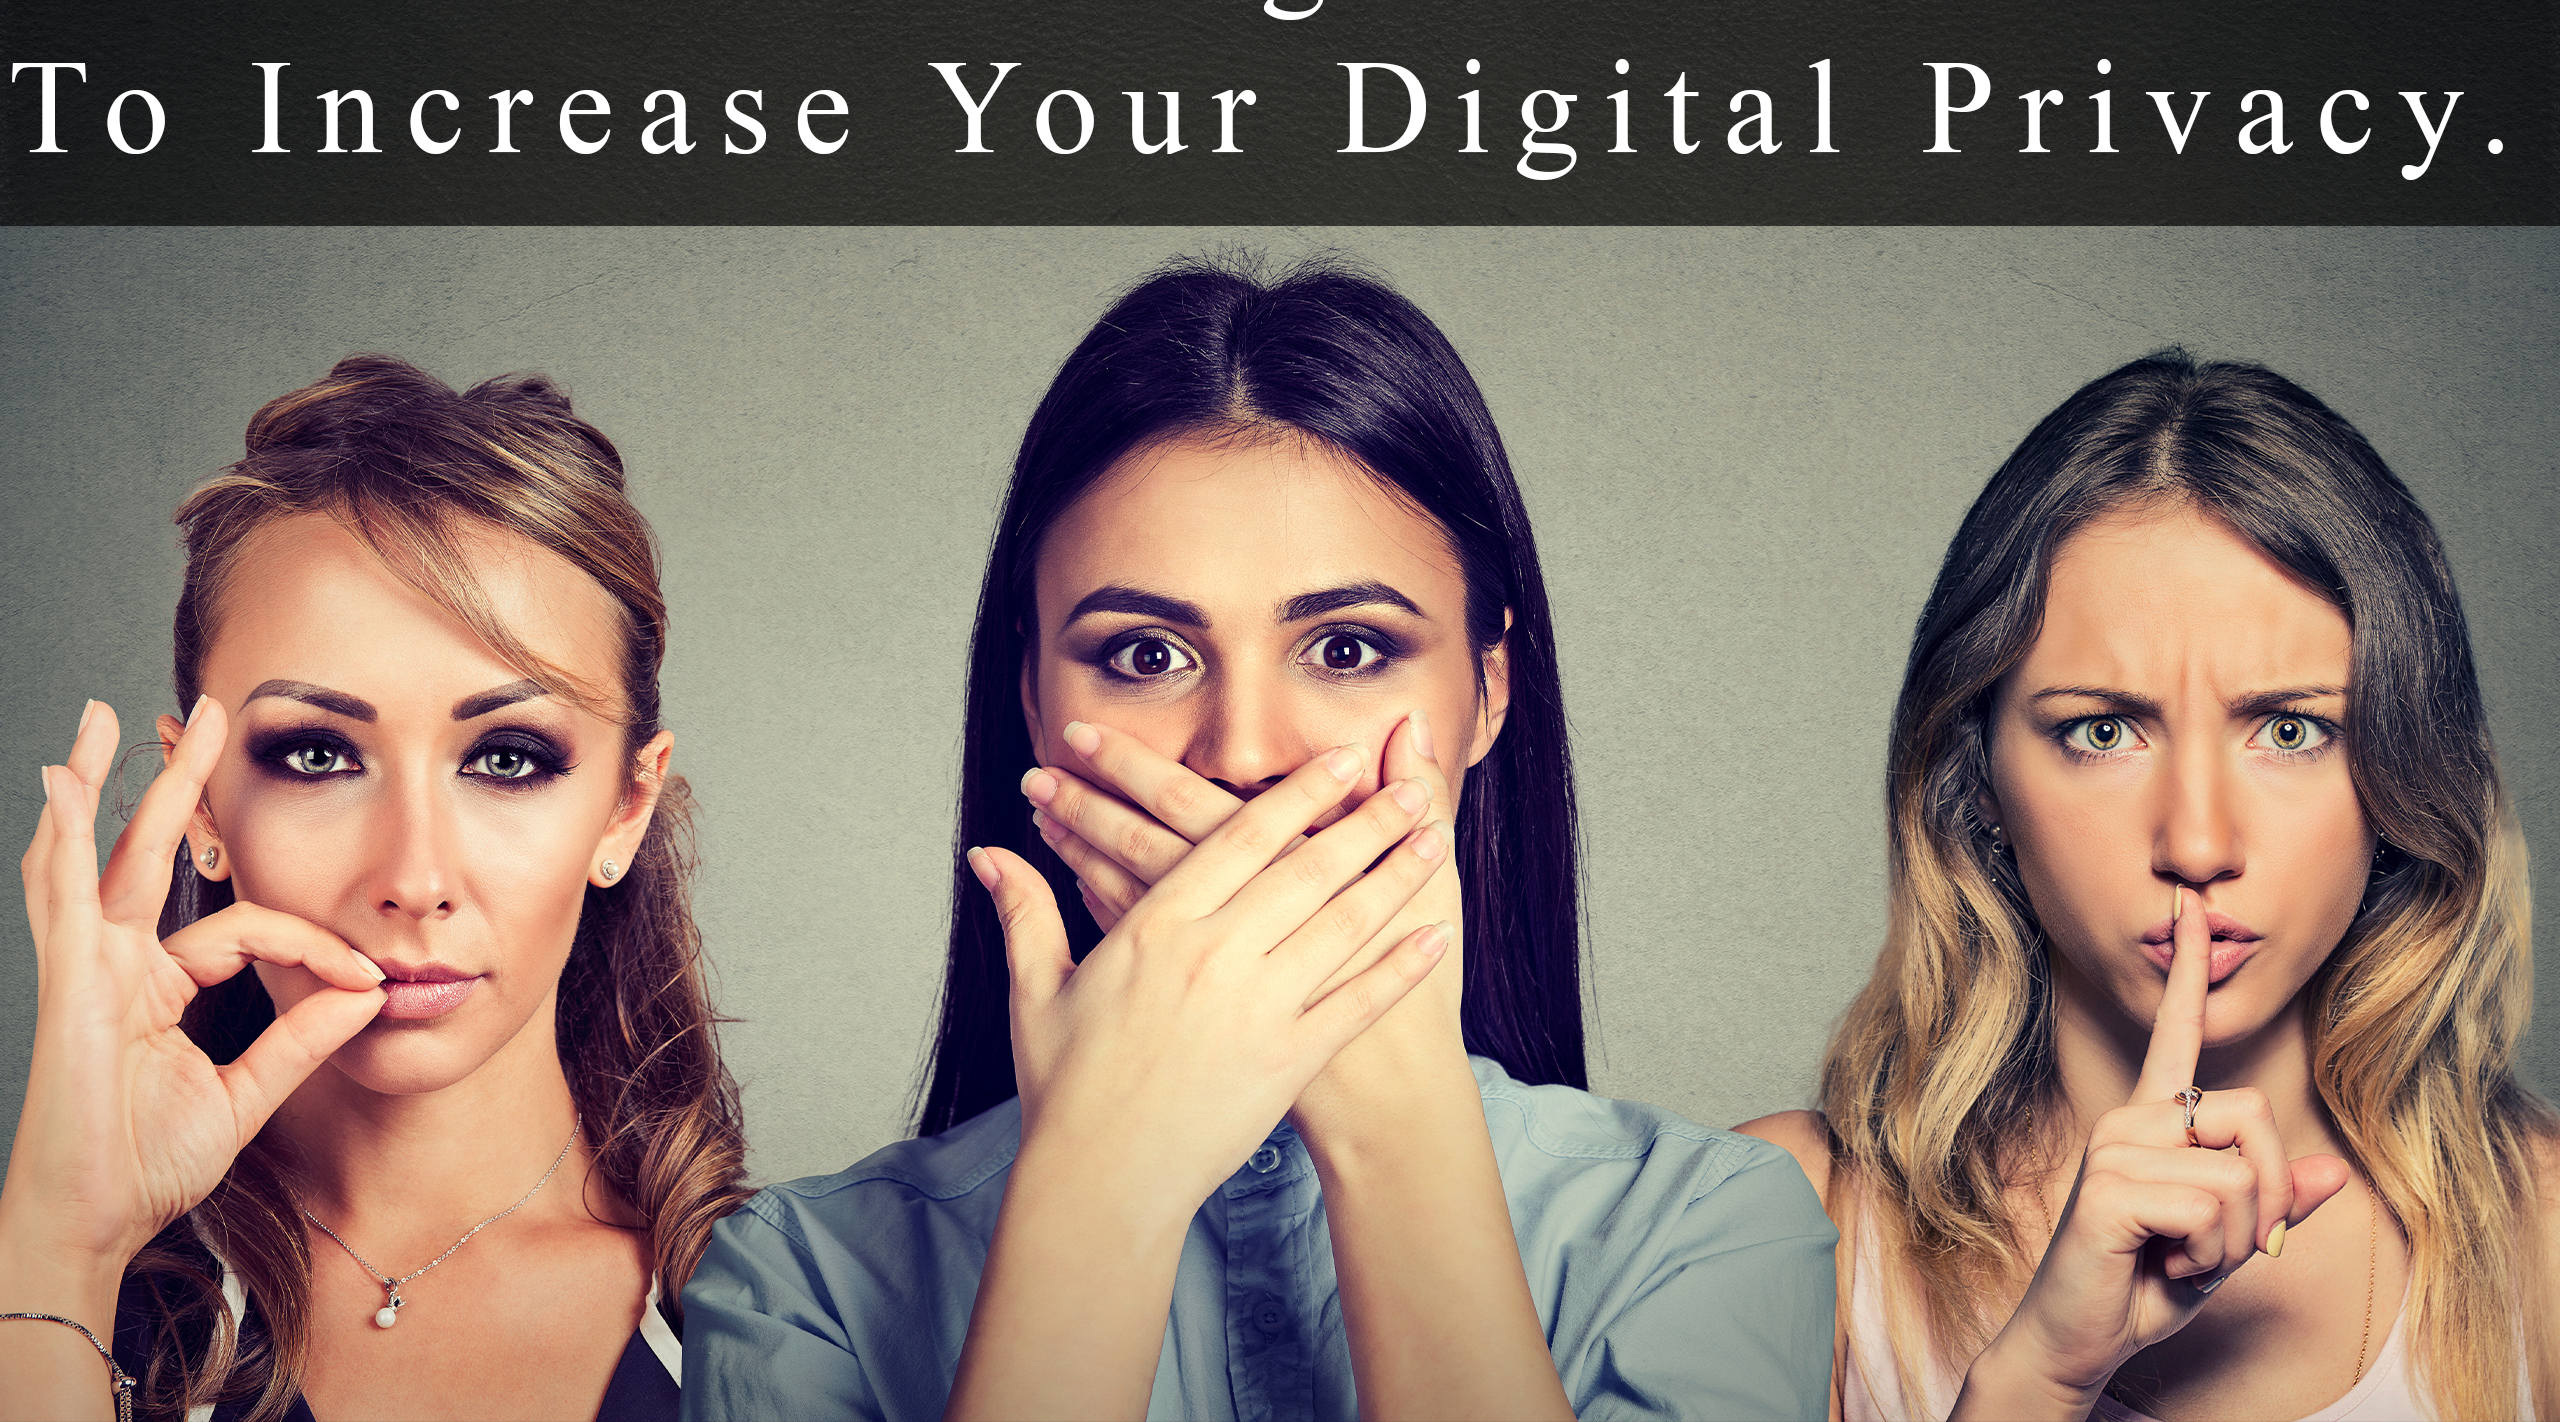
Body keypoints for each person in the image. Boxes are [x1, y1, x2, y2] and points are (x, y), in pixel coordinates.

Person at [681, 256, 1838, 1420]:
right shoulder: (801, 1280)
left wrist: (1396, 1132)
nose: (1240, 752)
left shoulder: (1709, 1229)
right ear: (1031, 700)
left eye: (1346, 648)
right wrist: (1097, 1190)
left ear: (1487, 694)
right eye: (1145, 654)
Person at [1739, 350, 2557, 1420]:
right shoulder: (1790, 1224)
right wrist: (2034, 1377)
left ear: (2399, 767)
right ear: (1975, 776)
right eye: (2104, 730)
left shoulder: (2542, 1237)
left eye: (2290, 728)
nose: (2198, 841)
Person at [0, 356, 748, 1422]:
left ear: (625, 810)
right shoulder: (47, 1286)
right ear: (199, 806)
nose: (413, 879)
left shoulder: (809, 1312)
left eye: (506, 757)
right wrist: (61, 1244)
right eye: (317, 755)